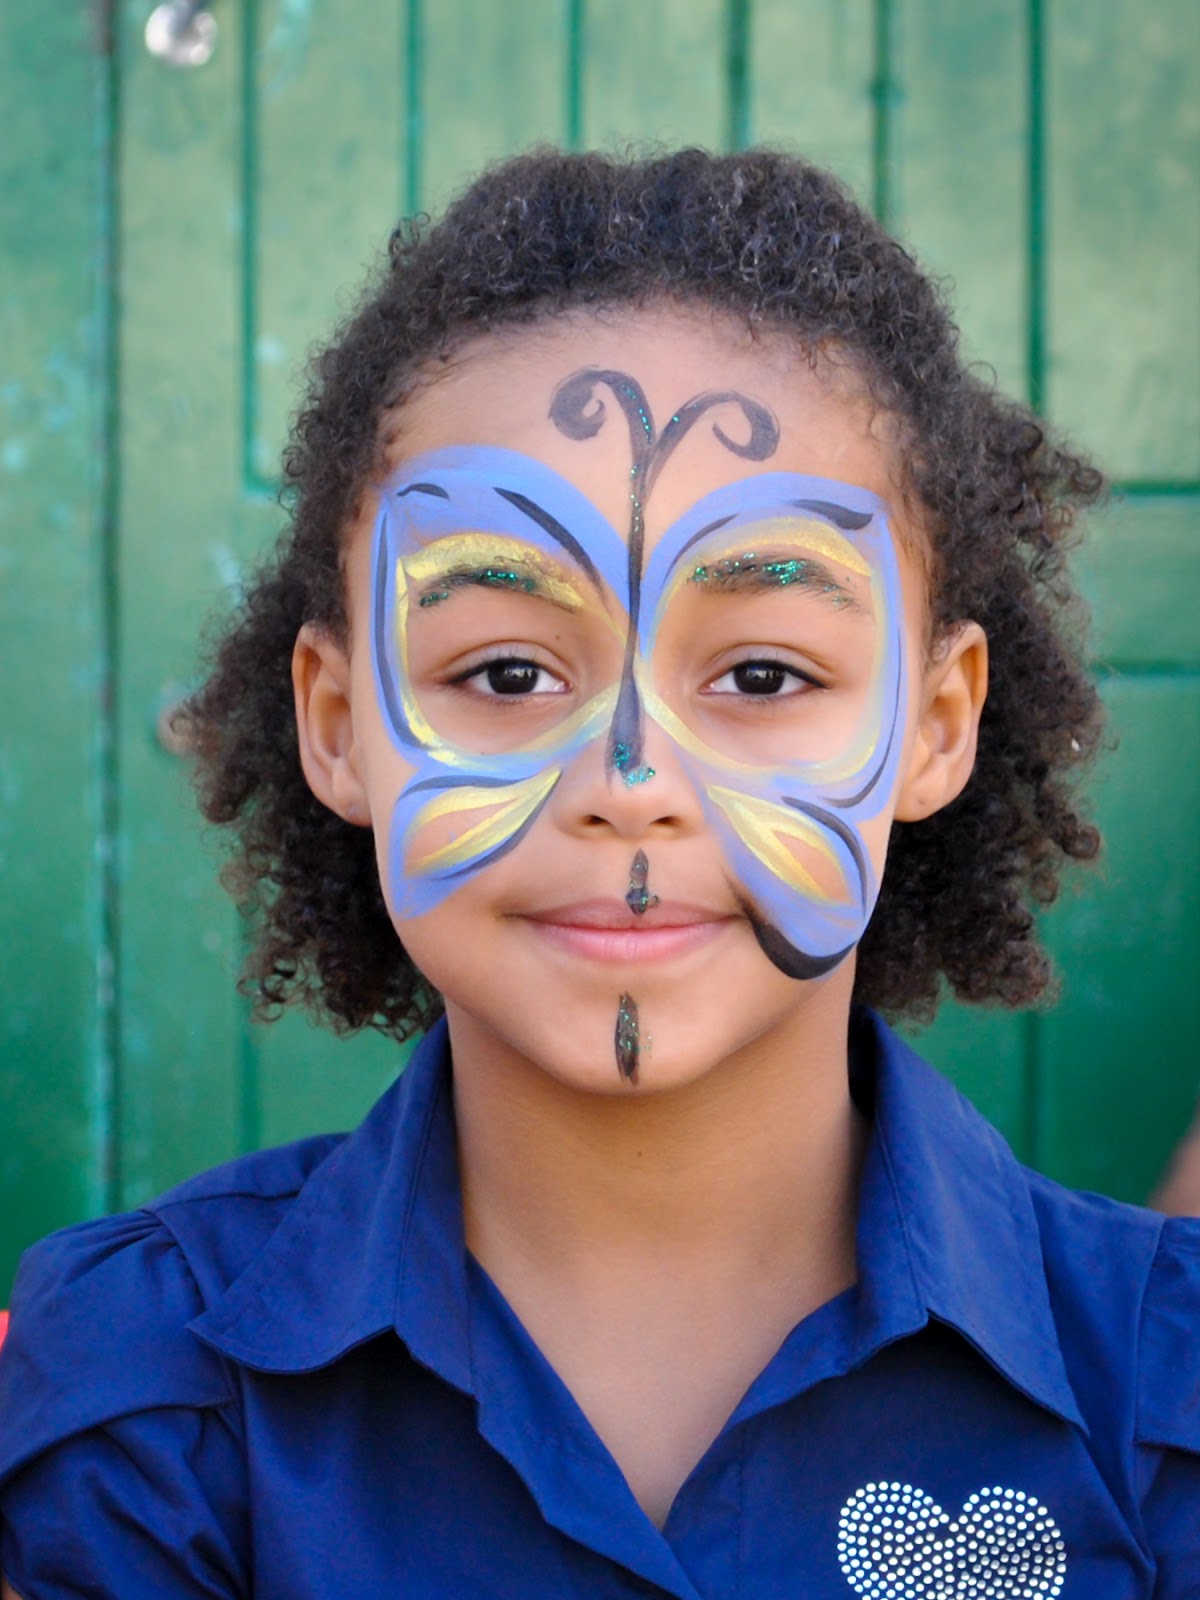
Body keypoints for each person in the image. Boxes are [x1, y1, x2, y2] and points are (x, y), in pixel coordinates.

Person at [1, 147, 1197, 1598]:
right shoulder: (150, 1386)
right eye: (505, 670)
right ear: (339, 725)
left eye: (762, 671)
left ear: (935, 727)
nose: (629, 784)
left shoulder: (1158, 1396)